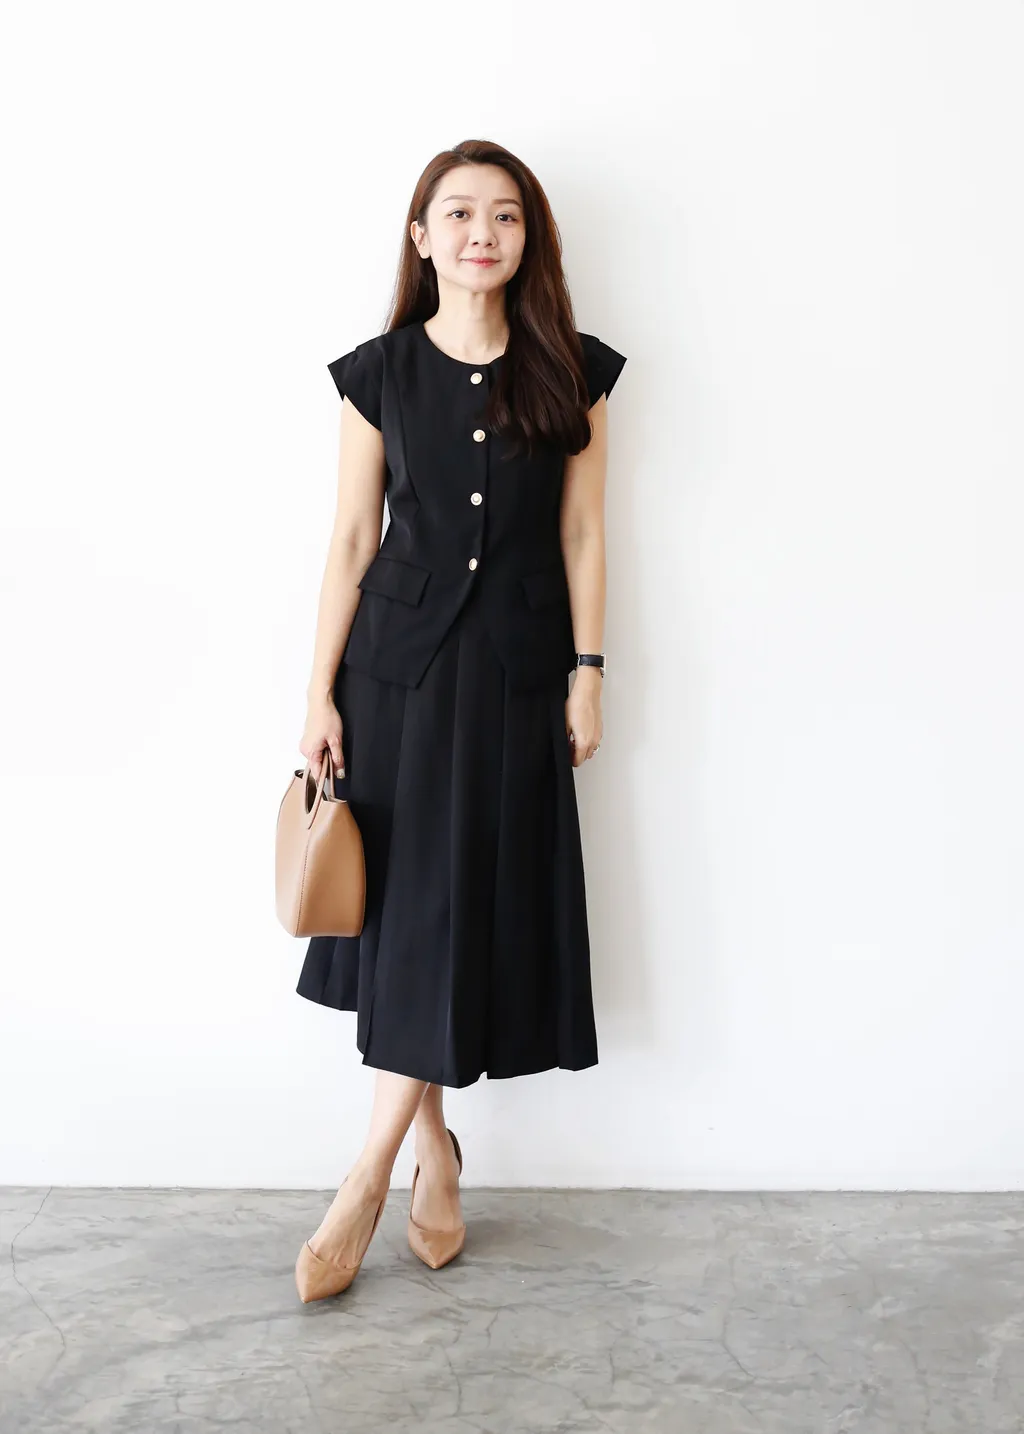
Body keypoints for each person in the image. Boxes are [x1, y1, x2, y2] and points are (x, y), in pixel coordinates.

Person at [292, 139, 627, 1302]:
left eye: (505, 216)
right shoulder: (378, 373)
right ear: (422, 236)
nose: (482, 232)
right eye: (458, 213)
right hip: (396, 678)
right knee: (413, 915)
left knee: (462, 907)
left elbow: (582, 532)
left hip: (518, 673)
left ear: (528, 240)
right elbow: (351, 537)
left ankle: (374, 1169)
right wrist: (316, 691)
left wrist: (589, 672)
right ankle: (416, 1157)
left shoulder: (572, 371)